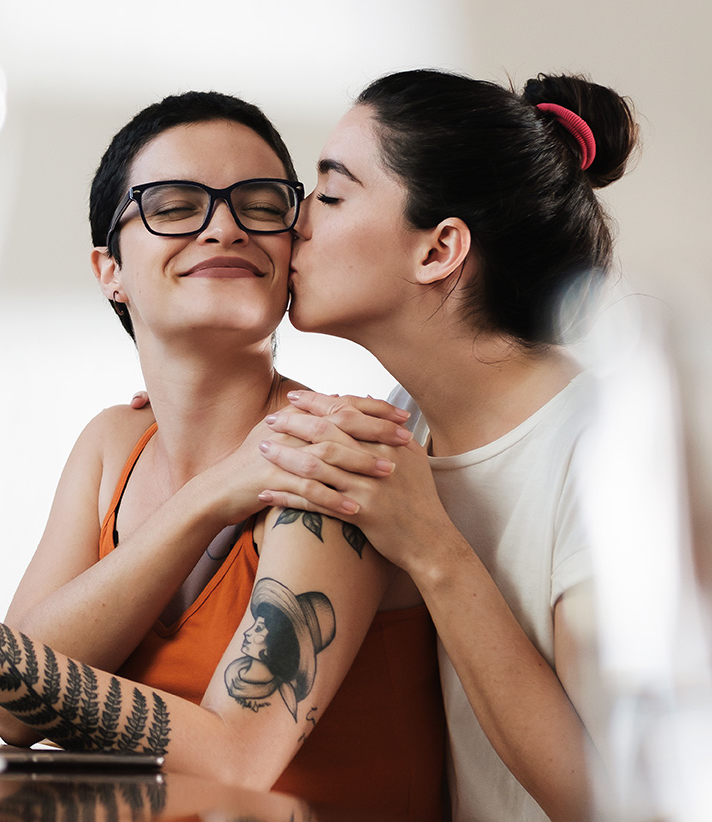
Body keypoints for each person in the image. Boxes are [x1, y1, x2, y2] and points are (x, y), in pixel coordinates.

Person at [0, 91, 445, 816]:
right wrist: (205, 500)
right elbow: (17, 714)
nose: (223, 227)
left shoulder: (330, 450)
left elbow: (237, 758)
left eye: (259, 203)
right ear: (109, 270)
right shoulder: (111, 447)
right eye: (172, 204)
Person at [250, 69, 638, 821]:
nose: (295, 223)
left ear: (438, 251)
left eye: (329, 196)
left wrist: (432, 548)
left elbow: (614, 802)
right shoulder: (407, 421)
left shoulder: (601, 456)